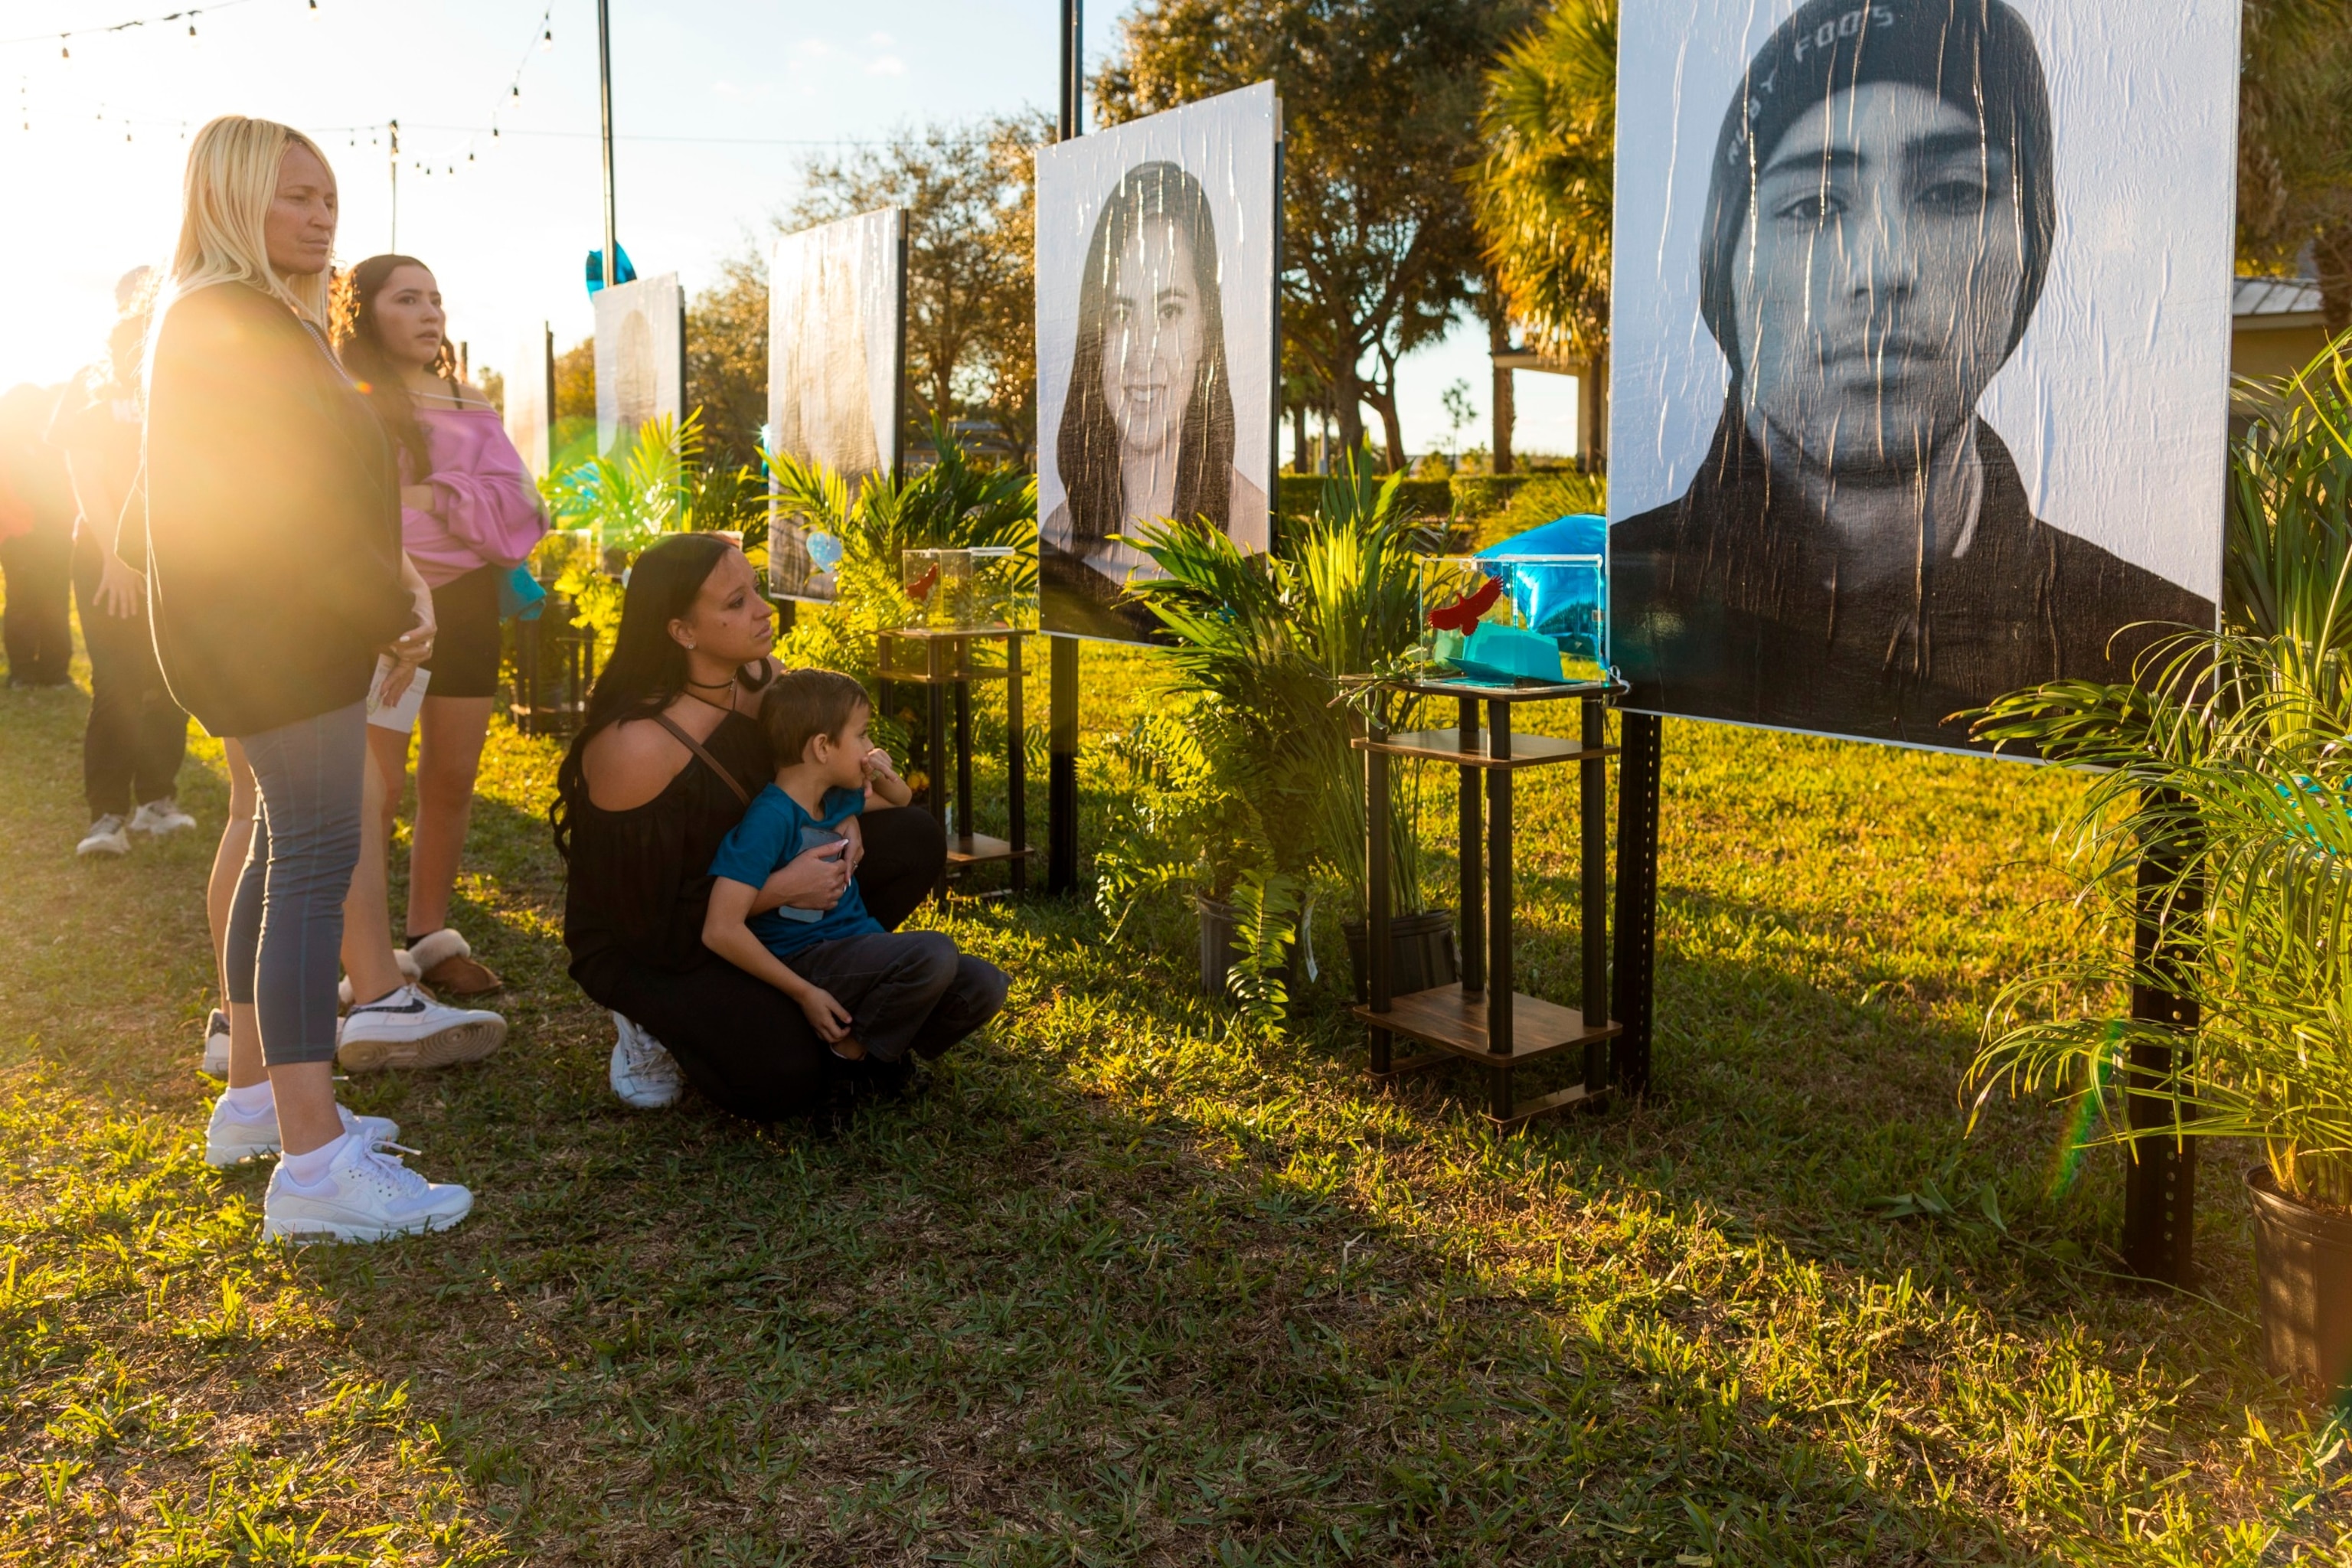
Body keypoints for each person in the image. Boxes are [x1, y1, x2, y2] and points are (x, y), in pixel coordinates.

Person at [1610, 0, 2214, 748]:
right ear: (1724, 267)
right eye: (1814, 204)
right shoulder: (1619, 597)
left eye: (1953, 193)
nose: (1886, 270)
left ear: (2033, 248)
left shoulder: (2162, 650)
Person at [145, 114, 470, 1240]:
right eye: (293, 195)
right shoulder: (231, 322)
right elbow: (282, 499)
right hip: (278, 634)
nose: (321, 212)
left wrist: (390, 586)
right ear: (233, 201)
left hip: (273, 629)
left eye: (328, 194)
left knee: (288, 848)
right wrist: (389, 600)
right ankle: (316, 1163)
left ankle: (256, 1104)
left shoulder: (244, 318)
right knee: (316, 863)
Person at [553, 532, 959, 1116]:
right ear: (681, 631)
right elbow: (645, 924)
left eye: (757, 589)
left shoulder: (765, 679)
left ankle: (819, 977)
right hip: (657, 940)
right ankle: (649, 1023)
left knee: (913, 838)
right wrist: (777, 892)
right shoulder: (637, 746)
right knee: (786, 1078)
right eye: (735, 602)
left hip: (759, 897)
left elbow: (812, 780)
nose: (764, 609)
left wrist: (844, 814)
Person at [332, 253, 547, 1001]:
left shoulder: (469, 401)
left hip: (465, 610)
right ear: (364, 311)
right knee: (377, 787)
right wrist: (438, 508)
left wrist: (434, 496)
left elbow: (523, 510)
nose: (429, 314)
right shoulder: (348, 396)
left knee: (451, 777)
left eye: (436, 299)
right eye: (407, 299)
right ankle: (362, 950)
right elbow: (352, 512)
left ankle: (428, 932)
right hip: (388, 611)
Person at [703, 669, 1003, 1065]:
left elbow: (901, 799)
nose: (869, 745)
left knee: (984, 984)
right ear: (823, 747)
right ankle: (851, 1059)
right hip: (808, 961)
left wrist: (877, 771)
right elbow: (720, 930)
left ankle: (878, 1053)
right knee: (934, 952)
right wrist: (804, 993)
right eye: (862, 735)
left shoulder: (836, 802)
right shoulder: (770, 819)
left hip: (857, 950)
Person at [1042, 160, 1266, 639]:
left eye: (1169, 310)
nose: (1140, 355)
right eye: (1121, 314)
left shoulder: (1252, 528)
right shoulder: (1058, 535)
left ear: (1208, 329)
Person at [49, 268, 198, 858]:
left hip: (176, 557)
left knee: (169, 683)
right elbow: (84, 477)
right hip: (107, 556)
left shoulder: (183, 376)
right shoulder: (92, 380)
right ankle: (106, 815)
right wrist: (115, 557)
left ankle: (156, 801)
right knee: (117, 683)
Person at [0, 382, 74, 688]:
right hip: (21, 538)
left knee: (56, 601)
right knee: (22, 602)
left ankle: (55, 671)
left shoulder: (51, 448)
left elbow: (69, 489)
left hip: (55, 538)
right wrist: (22, 529)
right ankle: (23, 671)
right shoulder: (5, 446)